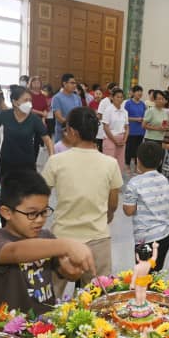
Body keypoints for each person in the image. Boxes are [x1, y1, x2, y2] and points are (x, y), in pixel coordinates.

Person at [0, 170, 95, 313]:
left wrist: (73, 271)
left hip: (46, 327)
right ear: (6, 212)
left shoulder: (46, 238)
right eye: (32, 214)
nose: (40, 220)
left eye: (44, 212)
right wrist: (67, 245)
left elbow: (68, 273)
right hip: (9, 330)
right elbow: (14, 251)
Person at [41, 107, 122, 296]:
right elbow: (113, 203)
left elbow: (41, 198)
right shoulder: (110, 163)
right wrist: (107, 216)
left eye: (67, 128)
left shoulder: (56, 161)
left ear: (74, 132)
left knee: (51, 298)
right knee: (98, 298)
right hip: (98, 238)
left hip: (62, 239)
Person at [0, 85, 52, 181]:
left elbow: (47, 139)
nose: (29, 103)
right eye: (25, 100)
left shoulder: (34, 119)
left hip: (27, 164)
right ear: (15, 102)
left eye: (30, 100)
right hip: (7, 163)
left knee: (25, 194)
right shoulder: (5, 115)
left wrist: (51, 157)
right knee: (7, 194)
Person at [123, 142, 169, 272]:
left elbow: (129, 210)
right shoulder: (164, 179)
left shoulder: (134, 183)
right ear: (160, 161)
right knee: (156, 272)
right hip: (165, 235)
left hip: (146, 239)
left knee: (143, 275)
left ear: (138, 160)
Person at [102, 87, 128, 173]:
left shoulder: (124, 111)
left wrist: (124, 140)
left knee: (120, 163)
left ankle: (117, 182)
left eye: (121, 97)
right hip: (110, 138)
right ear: (112, 97)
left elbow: (127, 127)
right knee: (109, 163)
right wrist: (114, 140)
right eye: (117, 97)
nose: (120, 99)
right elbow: (105, 127)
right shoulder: (108, 110)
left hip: (122, 139)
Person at [51, 73, 82, 144]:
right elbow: (59, 117)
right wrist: (71, 127)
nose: (75, 85)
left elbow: (80, 114)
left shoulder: (77, 97)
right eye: (72, 83)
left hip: (76, 132)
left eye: (75, 83)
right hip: (62, 132)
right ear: (64, 84)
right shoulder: (57, 98)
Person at [124, 85, 147, 174]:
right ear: (133, 92)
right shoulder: (128, 103)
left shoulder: (142, 104)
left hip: (141, 130)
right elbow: (125, 117)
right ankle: (127, 165)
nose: (139, 93)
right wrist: (136, 119)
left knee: (138, 149)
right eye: (137, 91)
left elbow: (145, 116)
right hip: (131, 129)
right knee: (129, 148)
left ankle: (137, 166)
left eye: (141, 91)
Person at [94, 83, 113, 152]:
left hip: (111, 130)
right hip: (101, 129)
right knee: (100, 149)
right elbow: (99, 115)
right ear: (110, 90)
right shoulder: (104, 101)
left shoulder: (117, 101)